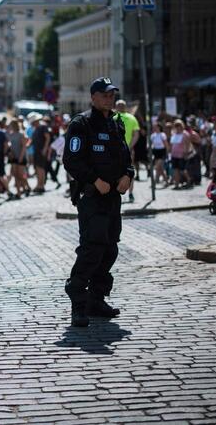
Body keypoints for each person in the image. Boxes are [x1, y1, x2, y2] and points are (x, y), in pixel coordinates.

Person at [62, 77, 134, 328]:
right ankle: (78, 304)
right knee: (92, 248)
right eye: (104, 95)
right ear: (93, 97)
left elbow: (126, 156)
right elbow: (71, 160)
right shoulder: (81, 124)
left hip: (113, 197)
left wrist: (129, 174)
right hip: (92, 197)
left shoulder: (116, 124)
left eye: (112, 95)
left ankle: (96, 298)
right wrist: (94, 180)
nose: (109, 99)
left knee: (110, 247)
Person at [113, 100, 140, 202]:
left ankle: (116, 192)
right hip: (128, 150)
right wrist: (129, 146)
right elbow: (136, 135)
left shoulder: (112, 118)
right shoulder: (132, 118)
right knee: (129, 172)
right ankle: (130, 193)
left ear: (116, 107)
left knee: (115, 172)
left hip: (115, 150)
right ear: (125, 107)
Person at [30, 114, 50, 193]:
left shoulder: (43, 127)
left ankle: (41, 185)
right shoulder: (36, 129)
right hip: (37, 150)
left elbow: (47, 138)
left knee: (40, 168)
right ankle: (39, 184)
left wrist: (45, 149)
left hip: (41, 150)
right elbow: (32, 140)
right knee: (38, 168)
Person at [170, 119, 192, 189]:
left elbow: (188, 144)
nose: (177, 127)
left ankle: (189, 180)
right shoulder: (174, 133)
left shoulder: (185, 134)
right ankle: (177, 184)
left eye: (178, 125)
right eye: (176, 126)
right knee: (175, 170)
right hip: (174, 154)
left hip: (182, 154)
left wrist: (186, 153)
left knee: (183, 170)